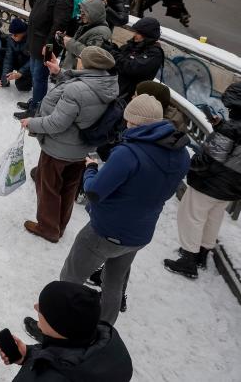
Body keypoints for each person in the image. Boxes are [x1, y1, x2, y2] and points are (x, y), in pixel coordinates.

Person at [57, 94, 190, 324]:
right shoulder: (181, 154)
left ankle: (58, 326)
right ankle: (105, 330)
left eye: (128, 120)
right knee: (113, 282)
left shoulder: (128, 154)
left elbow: (94, 192)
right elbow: (165, 193)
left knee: (70, 277)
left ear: (135, 122)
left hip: (106, 232)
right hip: (139, 234)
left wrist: (90, 169)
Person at [21, 46, 119, 243]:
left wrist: (31, 123)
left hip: (59, 148)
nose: (78, 59)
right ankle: (59, 225)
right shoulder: (107, 83)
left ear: (88, 63)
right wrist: (59, 72)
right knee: (68, 187)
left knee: (49, 187)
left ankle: (48, 228)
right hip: (80, 149)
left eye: (80, 57)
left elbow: (56, 123)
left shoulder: (77, 90)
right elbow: (82, 84)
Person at [164, 82, 241, 279]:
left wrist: (191, 164)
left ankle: (188, 260)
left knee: (192, 217)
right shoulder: (232, 128)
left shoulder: (231, 129)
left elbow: (210, 160)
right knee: (213, 218)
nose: (228, 109)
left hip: (210, 184)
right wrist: (221, 126)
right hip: (232, 186)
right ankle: (202, 255)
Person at [5, 281, 132, 381]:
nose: (35, 307)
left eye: (42, 309)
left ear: (57, 326)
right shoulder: (108, 351)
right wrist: (28, 355)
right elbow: (62, 357)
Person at [15, 0, 73, 120]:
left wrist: (48, 47)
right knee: (35, 74)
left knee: (40, 77)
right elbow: (38, 9)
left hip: (47, 46)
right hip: (37, 43)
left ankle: (37, 109)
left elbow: (59, 25)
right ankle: (35, 102)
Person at [109, 17, 164, 101]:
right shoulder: (134, 44)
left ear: (147, 35)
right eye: (135, 32)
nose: (134, 35)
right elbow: (121, 54)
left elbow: (131, 68)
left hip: (127, 96)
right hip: (115, 88)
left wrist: (113, 54)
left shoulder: (154, 54)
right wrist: (112, 48)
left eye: (138, 33)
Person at [57, 0, 113, 70]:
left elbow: (91, 55)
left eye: (84, 12)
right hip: (70, 70)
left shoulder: (102, 32)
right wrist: (63, 39)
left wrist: (69, 42)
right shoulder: (87, 25)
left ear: (94, 12)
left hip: (78, 74)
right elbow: (78, 44)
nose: (81, 15)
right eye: (81, 12)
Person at [0, 18, 32, 90]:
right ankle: (1, 79)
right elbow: (8, 58)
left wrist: (21, 72)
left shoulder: (31, 39)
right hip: (18, 60)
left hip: (29, 66)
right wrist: (4, 77)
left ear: (23, 33)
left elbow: (34, 60)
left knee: (22, 87)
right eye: (11, 34)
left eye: (15, 35)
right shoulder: (11, 38)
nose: (12, 37)